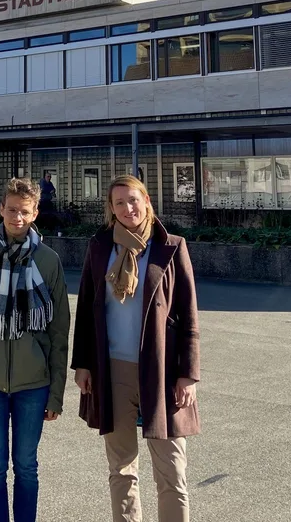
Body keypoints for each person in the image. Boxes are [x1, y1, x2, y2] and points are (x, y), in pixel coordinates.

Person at [71, 174, 200, 522]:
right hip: (111, 370)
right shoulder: (100, 247)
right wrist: (83, 364)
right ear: (111, 211)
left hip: (162, 372)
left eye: (133, 200)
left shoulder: (172, 247)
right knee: (122, 469)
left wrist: (188, 373)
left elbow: (188, 314)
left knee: (172, 472)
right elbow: (86, 308)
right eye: (119, 203)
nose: (128, 208)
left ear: (146, 201)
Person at [0, 177, 72, 522]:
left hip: (34, 385)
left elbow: (60, 332)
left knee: (27, 467)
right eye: (11, 210)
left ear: (35, 214)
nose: (16, 217)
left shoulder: (48, 261)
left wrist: (56, 394)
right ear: (0, 209)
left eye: (24, 211)